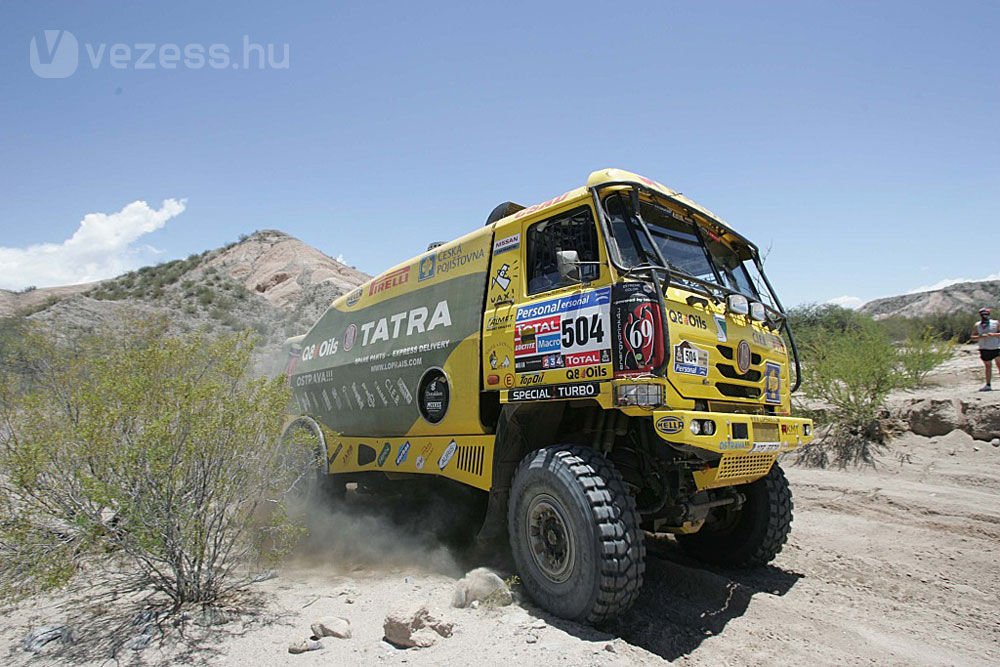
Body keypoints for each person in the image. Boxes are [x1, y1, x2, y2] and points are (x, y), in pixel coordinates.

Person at [971, 307, 1000, 391]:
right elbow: (972, 337)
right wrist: (980, 336)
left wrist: (993, 335)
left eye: (986, 314)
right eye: (983, 315)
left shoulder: (995, 323)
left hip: (996, 347)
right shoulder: (977, 325)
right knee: (988, 366)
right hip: (984, 348)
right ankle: (988, 384)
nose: (984, 316)